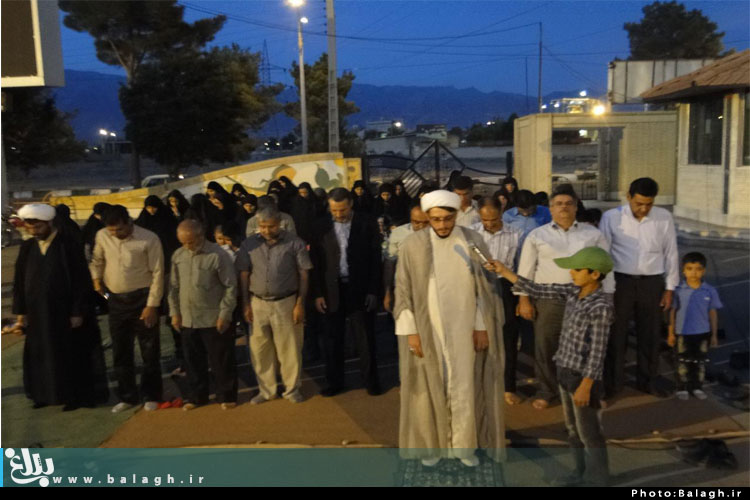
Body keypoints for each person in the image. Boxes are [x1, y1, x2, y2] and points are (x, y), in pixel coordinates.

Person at [394, 190, 505, 467]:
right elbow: (403, 290)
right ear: (428, 217)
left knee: (464, 386)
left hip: (465, 329)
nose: (442, 225)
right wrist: (412, 332)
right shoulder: (412, 245)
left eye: (447, 218)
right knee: (428, 386)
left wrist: (481, 326)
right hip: (427, 329)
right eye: (436, 219)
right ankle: (432, 447)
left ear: (456, 215)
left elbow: (485, 289)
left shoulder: (473, 240)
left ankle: (463, 447)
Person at [488, 246, 614, 486]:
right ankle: (579, 474)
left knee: (589, 433)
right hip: (565, 372)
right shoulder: (573, 292)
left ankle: (597, 480)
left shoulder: (600, 307)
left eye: (577, 269)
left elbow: (597, 352)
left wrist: (586, 386)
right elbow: (538, 289)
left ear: (595, 274)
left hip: (582, 378)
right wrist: (504, 271)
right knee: (573, 430)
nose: (571, 273)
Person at [516, 184, 614, 410]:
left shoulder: (593, 234)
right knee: (546, 345)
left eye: (569, 203)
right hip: (549, 299)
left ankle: (590, 390)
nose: (564, 208)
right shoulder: (537, 235)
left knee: (588, 347)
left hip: (585, 299)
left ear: (576, 206)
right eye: (558, 204)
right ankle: (547, 390)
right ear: (550, 208)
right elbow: (526, 269)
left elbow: (606, 267)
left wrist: (608, 297)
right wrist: (523, 299)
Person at [13, 203, 108, 411]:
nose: (34, 231)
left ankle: (71, 396)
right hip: (37, 314)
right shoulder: (27, 247)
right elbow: (19, 281)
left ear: (49, 223)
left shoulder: (67, 245)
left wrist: (77, 311)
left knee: (67, 354)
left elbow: (81, 281)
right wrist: (21, 314)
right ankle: (44, 394)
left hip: (64, 314)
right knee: (40, 354)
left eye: (38, 227)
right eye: (30, 227)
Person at [599, 177, 679, 398]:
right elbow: (604, 255)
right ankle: (613, 384)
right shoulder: (611, 217)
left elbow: (671, 253)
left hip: (652, 283)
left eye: (649, 204)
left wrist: (670, 288)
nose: (643, 209)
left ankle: (647, 381)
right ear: (628, 197)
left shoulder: (663, 218)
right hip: (620, 283)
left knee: (650, 335)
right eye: (639, 203)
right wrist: (607, 290)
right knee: (616, 335)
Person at [90, 205, 164, 413]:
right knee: (121, 351)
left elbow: (158, 273)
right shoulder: (102, 236)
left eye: (119, 229)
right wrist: (96, 279)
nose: (115, 234)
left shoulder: (149, 238)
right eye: (111, 230)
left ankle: (151, 395)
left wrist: (152, 305)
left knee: (149, 350)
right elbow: (97, 260)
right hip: (115, 301)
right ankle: (127, 396)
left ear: (129, 221)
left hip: (142, 299)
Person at [236, 207, 313, 404]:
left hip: (286, 302)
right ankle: (266, 391)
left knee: (289, 349)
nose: (266, 230)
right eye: (262, 226)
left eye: (271, 226)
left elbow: (304, 274)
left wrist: (300, 304)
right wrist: (245, 304)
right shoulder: (248, 244)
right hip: (257, 303)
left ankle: (292, 389)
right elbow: (244, 274)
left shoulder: (295, 243)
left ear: (279, 224)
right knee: (260, 350)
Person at [310, 187, 383, 396]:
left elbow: (375, 258)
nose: (338, 214)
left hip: (359, 288)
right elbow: (315, 262)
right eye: (334, 210)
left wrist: (373, 290)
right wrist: (318, 293)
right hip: (331, 290)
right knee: (332, 339)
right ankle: (335, 382)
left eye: (342, 210)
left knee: (365, 338)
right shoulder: (320, 226)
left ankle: (371, 382)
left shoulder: (367, 222)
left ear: (351, 204)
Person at [169, 220, 238, 410]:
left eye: (190, 242)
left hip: (213, 317)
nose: (187, 246)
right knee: (192, 361)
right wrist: (175, 313)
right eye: (183, 242)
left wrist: (225, 314)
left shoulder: (218, 255)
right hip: (188, 318)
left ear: (200, 236)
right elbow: (173, 287)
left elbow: (230, 286)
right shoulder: (178, 255)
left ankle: (226, 395)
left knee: (221, 360)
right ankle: (197, 397)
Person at [472, 198, 523, 405]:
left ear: (501, 213)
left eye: (493, 219)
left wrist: (522, 298)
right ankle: (480, 383)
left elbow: (522, 268)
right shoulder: (472, 233)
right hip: (477, 286)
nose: (489, 224)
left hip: (506, 286)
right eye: (485, 220)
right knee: (478, 335)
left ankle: (508, 386)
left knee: (508, 338)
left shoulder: (516, 234)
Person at [668, 252, 722, 401]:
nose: (693, 272)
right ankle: (682, 387)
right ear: (683, 270)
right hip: (682, 333)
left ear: (704, 271)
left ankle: (697, 386)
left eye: (698, 269)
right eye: (689, 268)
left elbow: (713, 313)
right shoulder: (678, 290)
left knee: (700, 362)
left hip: (702, 333)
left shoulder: (710, 290)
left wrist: (714, 335)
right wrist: (671, 333)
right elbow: (672, 312)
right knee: (682, 361)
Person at [383, 202, 430, 312]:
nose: (421, 226)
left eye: (426, 222)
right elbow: (390, 264)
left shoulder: (437, 234)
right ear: (410, 219)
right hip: (404, 289)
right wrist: (388, 292)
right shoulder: (398, 234)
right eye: (416, 222)